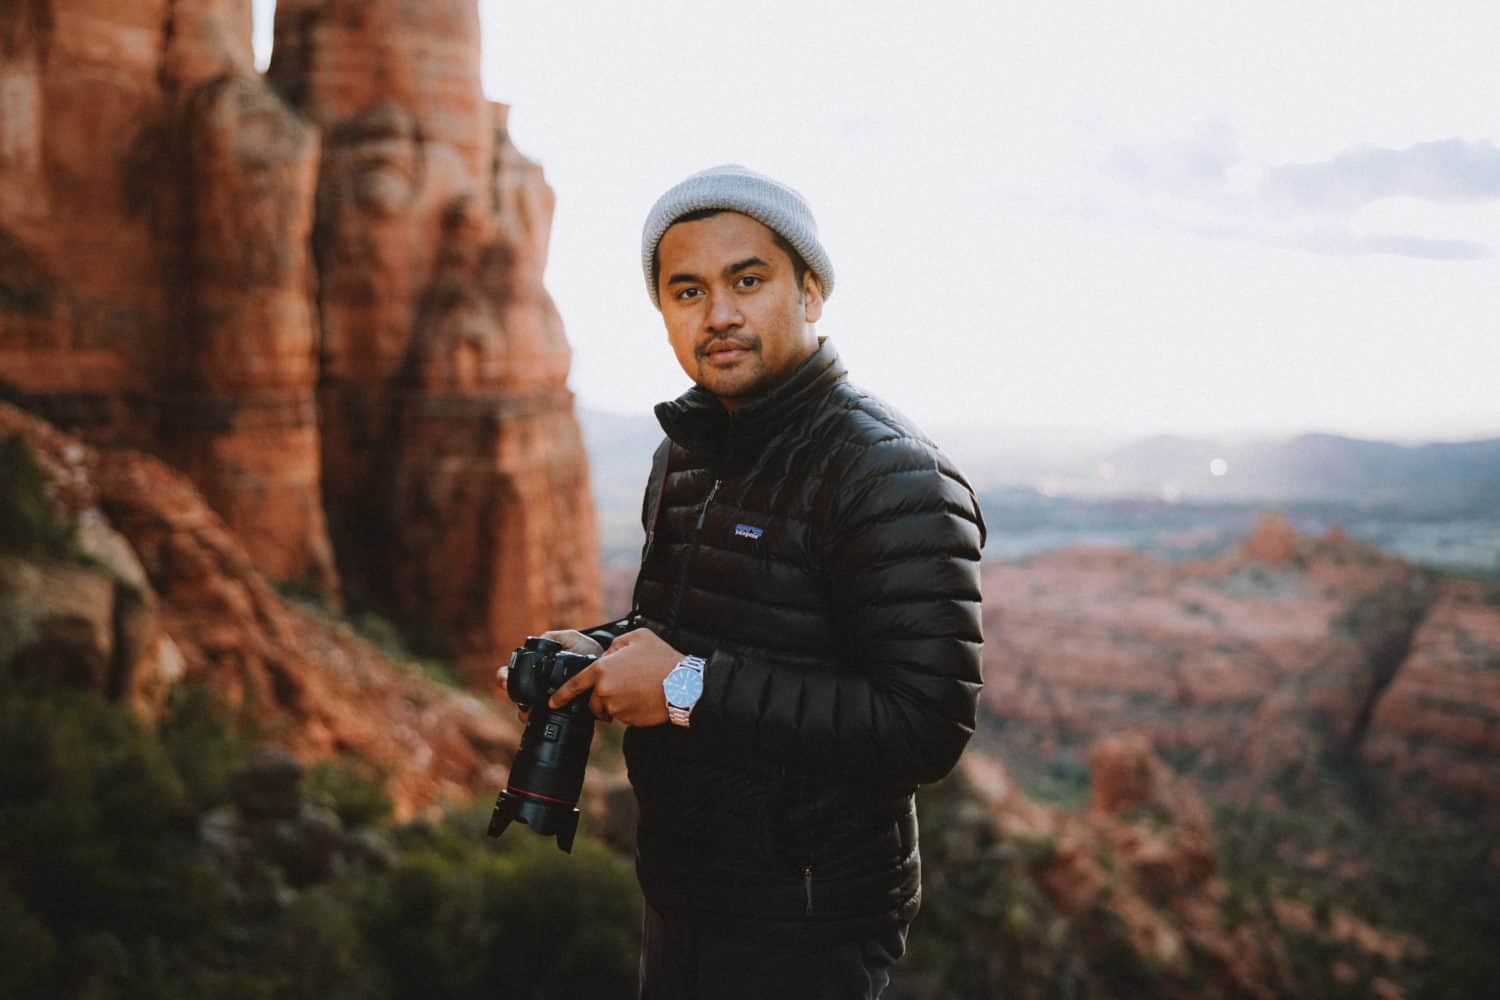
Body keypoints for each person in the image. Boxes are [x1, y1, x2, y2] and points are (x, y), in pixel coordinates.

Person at [511, 164, 985, 999]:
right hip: (682, 894)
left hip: (806, 925)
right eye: (686, 290)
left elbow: (924, 726)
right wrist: (598, 650)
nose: (718, 313)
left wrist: (685, 687)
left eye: (748, 280)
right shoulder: (686, 453)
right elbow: (696, 627)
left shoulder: (888, 472)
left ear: (810, 293)